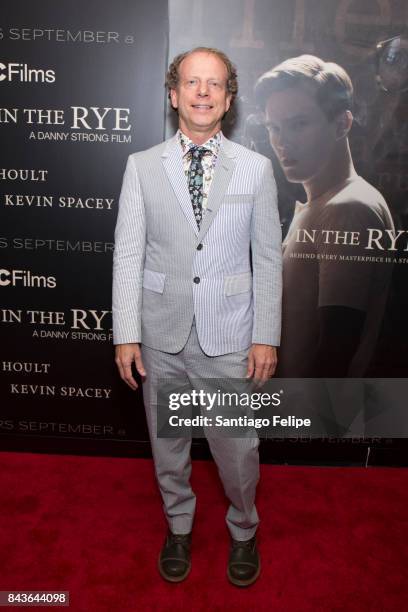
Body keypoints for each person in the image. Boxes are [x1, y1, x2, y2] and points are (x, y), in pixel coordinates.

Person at [112, 47, 282, 586]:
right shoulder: (141, 167)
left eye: (213, 84)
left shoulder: (256, 170)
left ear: (228, 100)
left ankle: (244, 528)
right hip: (160, 332)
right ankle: (179, 525)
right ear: (173, 95)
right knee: (169, 447)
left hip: (231, 334)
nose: (202, 92)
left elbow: (268, 258)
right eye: (191, 82)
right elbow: (128, 253)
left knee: (237, 451)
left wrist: (266, 335)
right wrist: (126, 333)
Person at [255, 55, 394, 378]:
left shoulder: (347, 209)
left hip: (310, 422)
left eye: (298, 124)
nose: (282, 141)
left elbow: (336, 352)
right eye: (274, 127)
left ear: (342, 124)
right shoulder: (324, 205)